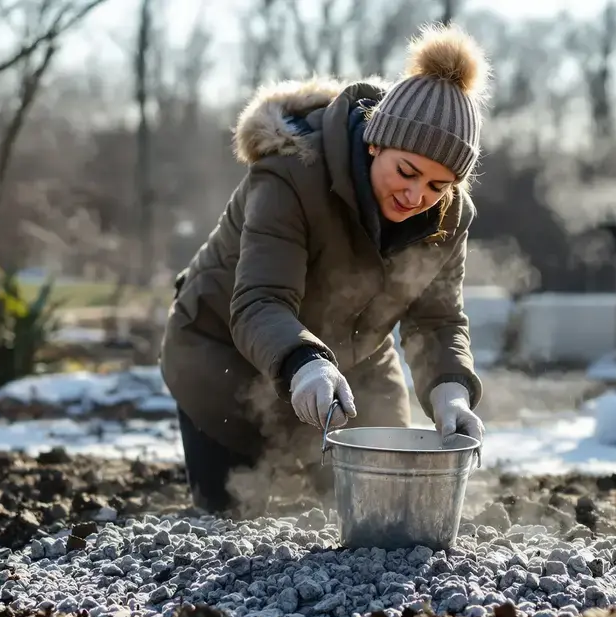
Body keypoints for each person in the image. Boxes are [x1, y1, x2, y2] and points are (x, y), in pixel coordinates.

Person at [160, 23, 491, 514]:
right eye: (407, 172)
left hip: (350, 364)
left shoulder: (448, 217)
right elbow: (259, 303)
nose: (417, 195)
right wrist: (303, 363)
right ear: (376, 142)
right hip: (223, 354)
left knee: (381, 509)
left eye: (439, 185)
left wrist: (451, 391)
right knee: (232, 519)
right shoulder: (292, 172)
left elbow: (437, 320)